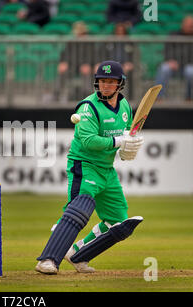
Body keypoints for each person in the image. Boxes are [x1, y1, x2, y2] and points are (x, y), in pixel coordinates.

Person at [35, 60, 145, 274]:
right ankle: (47, 259)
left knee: (118, 221)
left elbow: (122, 142)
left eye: (110, 82)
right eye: (102, 81)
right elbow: (89, 142)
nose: (105, 85)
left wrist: (127, 150)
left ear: (120, 84)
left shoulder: (124, 107)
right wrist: (118, 142)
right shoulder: (88, 107)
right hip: (84, 165)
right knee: (79, 209)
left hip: (106, 169)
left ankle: (78, 254)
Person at [155, 15, 193, 101]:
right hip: (174, 65)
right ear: (183, 25)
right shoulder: (174, 35)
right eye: (188, 25)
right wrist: (170, 60)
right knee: (164, 68)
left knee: (191, 72)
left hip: (190, 65)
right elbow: (167, 50)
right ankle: (158, 97)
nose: (190, 27)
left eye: (192, 25)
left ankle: (189, 97)